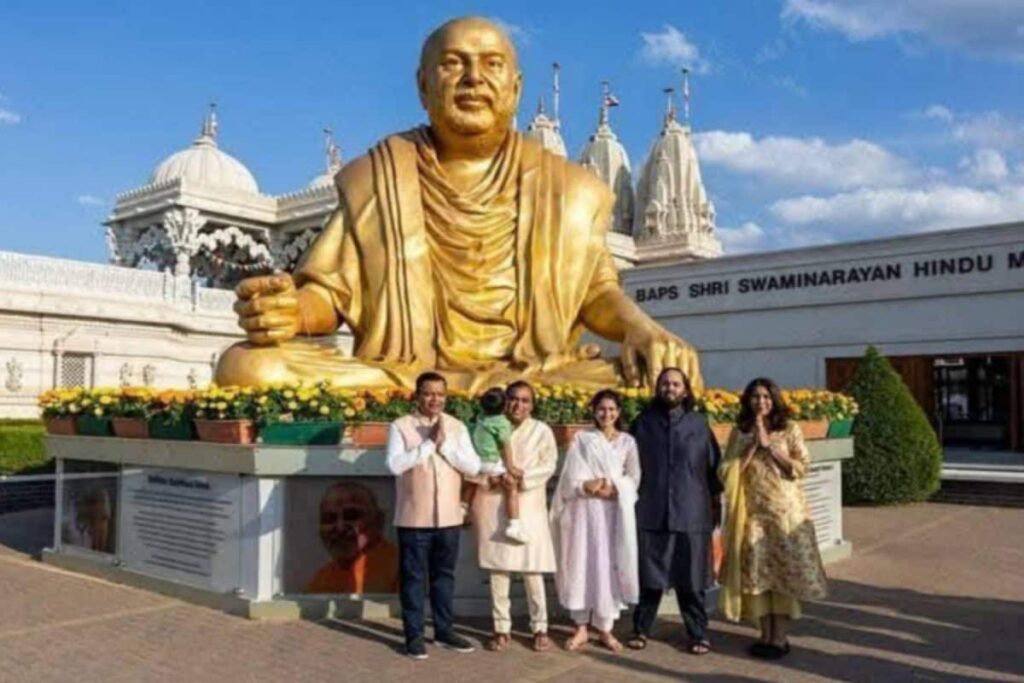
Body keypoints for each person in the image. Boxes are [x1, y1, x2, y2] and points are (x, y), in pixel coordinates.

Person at [215, 16, 703, 393]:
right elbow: (331, 293)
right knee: (250, 366)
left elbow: (595, 294)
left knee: (663, 372)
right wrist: (290, 312)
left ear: (514, 88)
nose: (473, 78)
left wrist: (644, 330)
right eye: (453, 63)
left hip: (534, 374)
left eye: (492, 64)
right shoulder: (379, 175)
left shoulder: (567, 188)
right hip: (402, 374)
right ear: (424, 87)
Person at [718, 377, 827, 660]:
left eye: (766, 397)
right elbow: (727, 471)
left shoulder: (789, 429)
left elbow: (802, 467)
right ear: (747, 401)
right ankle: (764, 635)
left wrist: (772, 448)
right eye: (755, 397)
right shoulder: (739, 432)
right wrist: (753, 445)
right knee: (758, 575)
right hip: (753, 515)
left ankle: (780, 637)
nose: (761, 402)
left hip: (784, 514)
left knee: (781, 574)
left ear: (774, 399)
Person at [386, 371, 482, 660]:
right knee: (413, 578)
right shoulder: (401, 426)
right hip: (414, 518)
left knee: (444, 576)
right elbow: (394, 464)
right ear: (417, 396)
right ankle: (414, 636)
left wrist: (445, 446)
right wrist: (427, 445)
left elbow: (473, 467)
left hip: (449, 517)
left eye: (440, 394)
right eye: (428, 393)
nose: (434, 399)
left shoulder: (457, 427)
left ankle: (444, 631)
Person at [629, 368, 722, 655]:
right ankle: (641, 629)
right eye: (665, 383)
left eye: (675, 384)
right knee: (649, 578)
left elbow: (713, 470)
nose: (670, 388)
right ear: (657, 388)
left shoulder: (698, 424)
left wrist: (716, 511)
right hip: (651, 510)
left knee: (691, 580)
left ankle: (698, 634)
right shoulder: (642, 423)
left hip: (691, 512)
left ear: (685, 389)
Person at [469, 381, 558, 653]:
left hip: (529, 505)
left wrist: (521, 479)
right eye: (514, 399)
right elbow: (473, 462)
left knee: (533, 570)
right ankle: (501, 628)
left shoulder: (541, 431)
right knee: (499, 570)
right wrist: (494, 478)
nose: (518, 405)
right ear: (505, 401)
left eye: (525, 400)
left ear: (532, 404)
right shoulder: (488, 425)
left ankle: (540, 627)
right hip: (494, 501)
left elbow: (549, 465)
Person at [551, 389, 640, 653]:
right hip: (584, 512)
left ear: (619, 412)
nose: (606, 414)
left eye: (611, 409)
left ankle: (605, 627)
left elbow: (634, 478)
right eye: (601, 409)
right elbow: (569, 478)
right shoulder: (582, 439)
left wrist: (615, 489)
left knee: (607, 564)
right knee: (582, 562)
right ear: (594, 411)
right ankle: (580, 627)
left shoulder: (627, 442)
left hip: (613, 512)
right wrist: (586, 485)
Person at [306, 482, 399, 594]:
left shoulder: (401, 568)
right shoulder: (321, 580)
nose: (340, 528)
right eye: (329, 518)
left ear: (378, 521)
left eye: (351, 516)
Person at [465, 387, 528, 544]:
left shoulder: (480, 419)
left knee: (472, 484)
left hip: (477, 463)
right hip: (492, 462)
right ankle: (514, 524)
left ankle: (463, 509)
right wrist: (511, 467)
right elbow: (506, 445)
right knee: (511, 486)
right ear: (505, 406)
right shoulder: (502, 423)